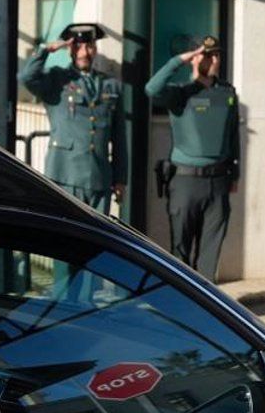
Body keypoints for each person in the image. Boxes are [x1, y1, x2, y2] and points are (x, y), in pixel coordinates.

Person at [148, 35, 241, 281]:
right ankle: (181, 310)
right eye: (207, 54)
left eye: (217, 55)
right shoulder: (180, 93)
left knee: (210, 255)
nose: (213, 60)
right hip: (186, 182)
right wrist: (178, 60)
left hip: (218, 181)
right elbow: (151, 88)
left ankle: (205, 310)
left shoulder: (227, 92)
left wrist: (235, 173)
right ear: (194, 58)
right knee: (181, 252)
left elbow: (233, 135)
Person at [20, 22, 126, 213]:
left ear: (94, 49)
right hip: (65, 176)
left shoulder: (112, 85)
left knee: (97, 239)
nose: (84, 52)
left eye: (89, 46)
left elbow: (119, 138)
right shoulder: (57, 80)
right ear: (70, 48)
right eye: (78, 46)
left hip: (99, 179)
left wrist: (120, 179)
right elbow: (26, 77)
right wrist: (46, 50)